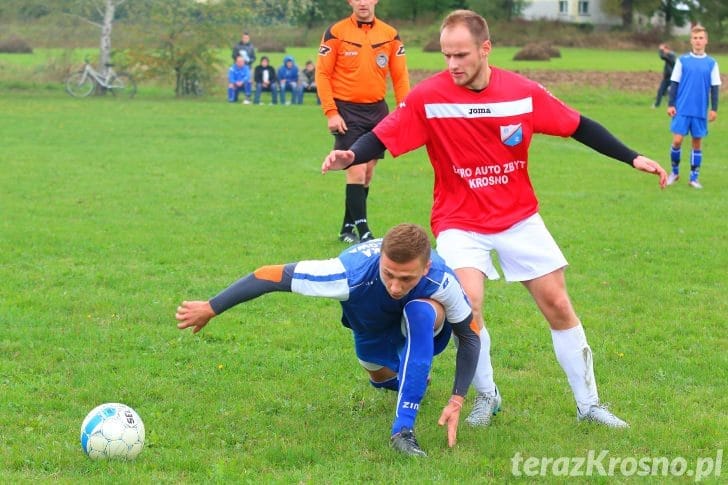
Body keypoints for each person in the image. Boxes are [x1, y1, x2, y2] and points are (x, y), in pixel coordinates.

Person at [322, 10, 668, 429]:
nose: (452, 65)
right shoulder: (430, 98)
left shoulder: (522, 93)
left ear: (486, 49)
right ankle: (487, 396)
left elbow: (580, 126)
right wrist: (352, 154)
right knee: (469, 304)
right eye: (446, 55)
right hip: (459, 220)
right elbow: (385, 133)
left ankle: (589, 404)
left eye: (461, 55)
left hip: (518, 217)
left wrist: (632, 156)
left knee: (558, 304)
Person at [175, 223, 480, 457]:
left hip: (427, 327)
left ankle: (402, 431)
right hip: (372, 328)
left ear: (425, 268)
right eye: (389, 274)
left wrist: (457, 398)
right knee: (379, 374)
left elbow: (469, 335)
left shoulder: (439, 278)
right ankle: (413, 382)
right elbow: (270, 275)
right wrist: (211, 307)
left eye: (407, 278)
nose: (396, 286)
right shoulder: (347, 274)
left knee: (419, 310)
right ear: (380, 262)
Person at [316, 0, 410, 245]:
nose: (362, 2)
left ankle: (347, 227)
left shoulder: (390, 35)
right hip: (346, 111)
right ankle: (365, 232)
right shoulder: (335, 32)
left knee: (367, 173)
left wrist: (405, 111)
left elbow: (400, 77)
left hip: (377, 111)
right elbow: (322, 73)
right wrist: (331, 112)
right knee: (355, 169)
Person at [666, 25, 721, 189]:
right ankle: (674, 173)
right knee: (677, 141)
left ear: (706, 41)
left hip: (699, 110)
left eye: (701, 38)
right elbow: (674, 83)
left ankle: (693, 178)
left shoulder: (711, 63)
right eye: (695, 38)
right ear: (691, 41)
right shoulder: (682, 61)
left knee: (697, 143)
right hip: (682, 108)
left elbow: (715, 87)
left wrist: (714, 109)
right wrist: (671, 104)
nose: (698, 41)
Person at [654, 43, 676, 108]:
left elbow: (662, 57)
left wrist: (660, 49)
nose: (664, 52)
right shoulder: (669, 55)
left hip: (671, 77)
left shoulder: (671, 55)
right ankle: (657, 105)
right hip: (667, 77)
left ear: (667, 49)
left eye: (665, 50)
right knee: (660, 91)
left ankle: (672, 104)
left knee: (671, 92)